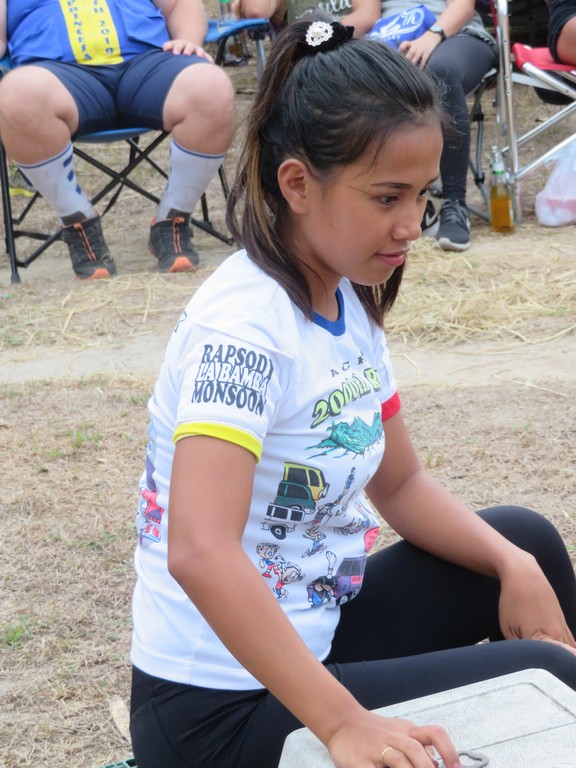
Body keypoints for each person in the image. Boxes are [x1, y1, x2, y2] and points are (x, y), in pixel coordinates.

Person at [129, 17, 576, 768]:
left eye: (422, 196)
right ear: (297, 184)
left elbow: (399, 484)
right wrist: (343, 724)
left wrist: (511, 566)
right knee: (544, 673)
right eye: (388, 197)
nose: (411, 226)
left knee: (524, 542)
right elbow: (200, 551)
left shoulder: (346, 295)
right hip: (215, 715)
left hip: (318, 633)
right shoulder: (243, 327)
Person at [233, 0, 497, 253]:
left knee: (441, 70)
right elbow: (368, 13)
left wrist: (432, 36)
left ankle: (454, 204)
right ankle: (406, 201)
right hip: (391, 37)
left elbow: (463, 6)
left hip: (454, 34)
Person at [0, 0, 236, 280]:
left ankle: (173, 217)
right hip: (55, 74)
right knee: (15, 96)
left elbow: (179, 5)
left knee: (212, 87)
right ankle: (77, 219)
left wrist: (188, 39)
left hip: (148, 62)